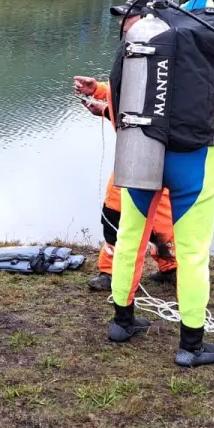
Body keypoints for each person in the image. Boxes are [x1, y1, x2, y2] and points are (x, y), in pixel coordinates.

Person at [105, 0, 214, 367]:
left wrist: (127, 139)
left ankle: (122, 321)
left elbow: (118, 94)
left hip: (142, 150)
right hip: (193, 158)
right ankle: (191, 345)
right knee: (193, 251)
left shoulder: (152, 24)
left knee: (130, 235)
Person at [72, 76, 178, 294]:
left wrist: (104, 108)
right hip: (130, 157)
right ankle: (111, 272)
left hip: (164, 156)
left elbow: (154, 109)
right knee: (114, 214)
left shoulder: (181, 68)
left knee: (163, 220)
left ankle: (172, 268)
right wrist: (99, 91)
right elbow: (132, 87)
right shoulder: (140, 56)